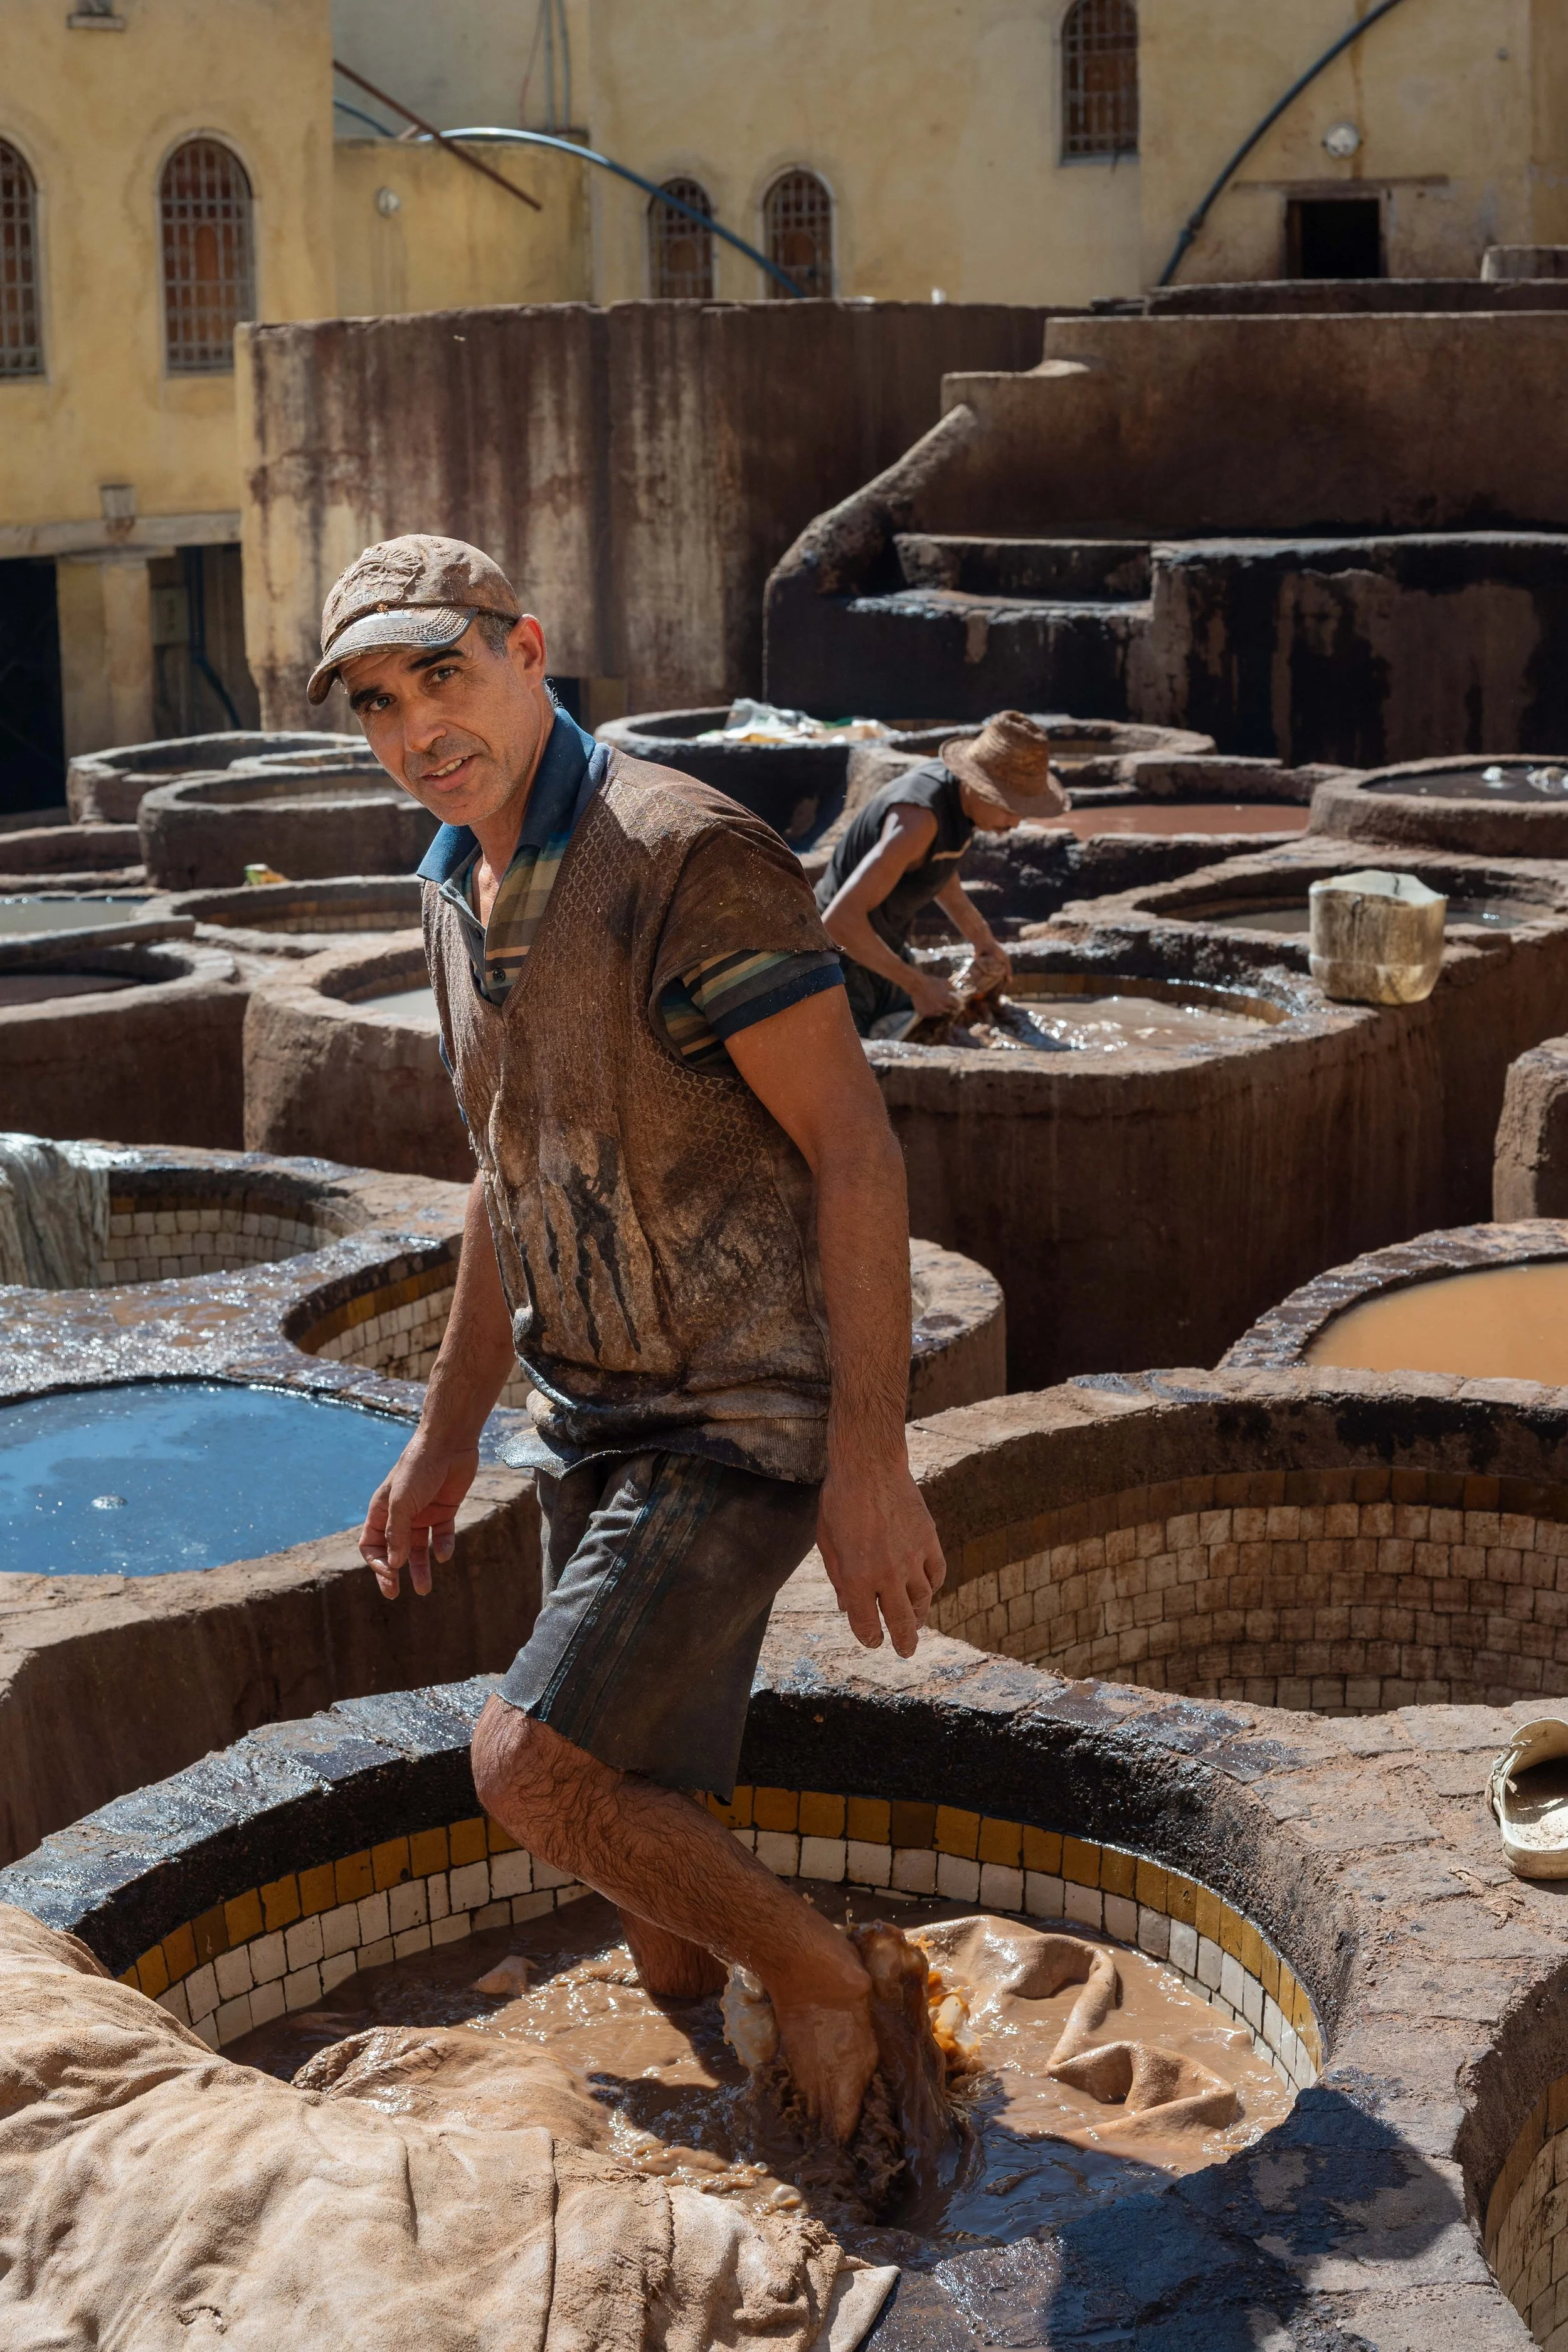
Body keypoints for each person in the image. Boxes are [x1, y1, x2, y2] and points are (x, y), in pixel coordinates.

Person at [309, 536, 946, 2145]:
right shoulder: (451, 880)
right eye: (376, 703)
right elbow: (502, 1169)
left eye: (439, 676)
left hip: (738, 1408)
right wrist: (445, 1431)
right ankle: (760, 2009)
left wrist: (871, 1456)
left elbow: (858, 1147)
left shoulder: (683, 851)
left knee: (528, 1766)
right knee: (651, 1904)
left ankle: (828, 1979)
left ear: (529, 647)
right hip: (592, 1410)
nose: (412, 731)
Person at [815, 711, 1066, 1035]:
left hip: (879, 949)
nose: (1015, 823)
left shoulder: (959, 804)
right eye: (1009, 808)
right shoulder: (918, 821)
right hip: (834, 961)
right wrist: (918, 985)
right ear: (978, 785)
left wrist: (983, 940)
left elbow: (940, 876)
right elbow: (838, 922)